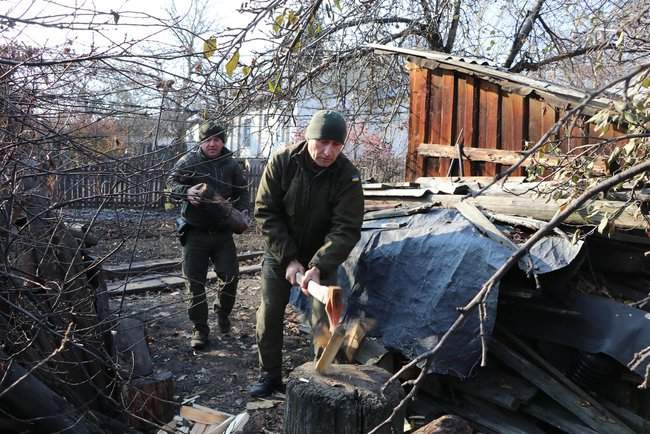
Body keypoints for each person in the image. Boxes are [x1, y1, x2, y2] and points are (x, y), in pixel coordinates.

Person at [250, 110, 364, 397]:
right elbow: (265, 212)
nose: (328, 152)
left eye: (336, 145)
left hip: (322, 258)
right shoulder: (283, 161)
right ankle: (270, 377)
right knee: (270, 314)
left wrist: (318, 265)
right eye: (323, 142)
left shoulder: (347, 176)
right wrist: (288, 258)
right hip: (279, 253)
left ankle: (320, 379)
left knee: (324, 319)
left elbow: (346, 228)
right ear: (308, 137)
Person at [167, 120, 249, 350]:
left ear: (223, 141)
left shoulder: (231, 165)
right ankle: (200, 329)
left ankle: (222, 314)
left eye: (217, 139)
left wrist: (243, 213)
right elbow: (169, 184)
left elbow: (243, 192)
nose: (212, 144)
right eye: (208, 139)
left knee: (230, 277)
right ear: (201, 141)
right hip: (195, 232)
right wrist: (186, 191)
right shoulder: (188, 161)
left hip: (223, 233)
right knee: (195, 283)